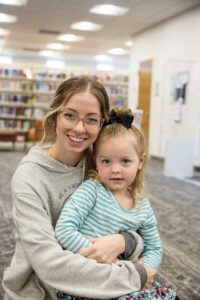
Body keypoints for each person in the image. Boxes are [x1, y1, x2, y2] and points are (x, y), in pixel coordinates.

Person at [2, 76, 156, 300]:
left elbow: (136, 221)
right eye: (70, 115)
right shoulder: (29, 178)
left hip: (99, 279)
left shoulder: (103, 164)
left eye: (91, 119)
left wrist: (125, 240)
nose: (79, 128)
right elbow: (49, 264)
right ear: (55, 116)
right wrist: (131, 275)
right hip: (41, 290)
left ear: (102, 124)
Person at [55, 106, 176, 300]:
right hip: (86, 278)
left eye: (125, 161)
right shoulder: (91, 191)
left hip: (123, 278)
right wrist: (100, 260)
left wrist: (143, 269)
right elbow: (64, 230)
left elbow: (154, 247)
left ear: (140, 162)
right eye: (106, 162)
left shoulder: (143, 206)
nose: (115, 170)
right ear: (96, 161)